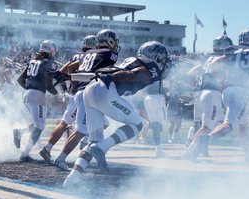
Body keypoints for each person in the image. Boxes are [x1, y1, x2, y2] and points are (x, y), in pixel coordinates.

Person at [64, 41, 172, 187]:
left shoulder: (131, 60)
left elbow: (99, 74)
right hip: (106, 89)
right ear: (157, 57)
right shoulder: (147, 70)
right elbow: (130, 74)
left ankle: (72, 178)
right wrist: (113, 78)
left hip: (90, 91)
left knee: (93, 141)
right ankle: (104, 146)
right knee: (138, 123)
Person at [185, 29, 249, 161]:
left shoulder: (232, 51)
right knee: (229, 125)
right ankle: (206, 141)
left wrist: (221, 79)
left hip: (228, 91)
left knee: (243, 125)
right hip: (242, 92)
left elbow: (212, 66)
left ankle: (248, 153)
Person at [42, 30, 119, 171]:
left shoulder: (87, 54)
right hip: (88, 93)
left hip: (84, 92)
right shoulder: (106, 53)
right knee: (81, 130)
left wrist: (67, 79)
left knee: (100, 126)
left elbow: (70, 66)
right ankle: (61, 159)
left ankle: (94, 157)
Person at [37, 35, 97, 167]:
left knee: (65, 123)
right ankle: (75, 149)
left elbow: (63, 70)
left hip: (75, 94)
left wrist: (67, 88)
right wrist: (74, 86)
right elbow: (68, 70)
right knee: (93, 125)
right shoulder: (92, 57)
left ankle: (47, 149)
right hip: (84, 94)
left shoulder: (76, 56)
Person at [13, 40, 59, 161]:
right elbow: (49, 83)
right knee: (39, 126)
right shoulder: (49, 63)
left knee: (38, 124)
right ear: (52, 50)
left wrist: (30, 89)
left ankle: (20, 132)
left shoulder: (32, 61)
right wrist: (57, 93)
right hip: (37, 95)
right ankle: (25, 154)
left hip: (27, 94)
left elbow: (19, 80)